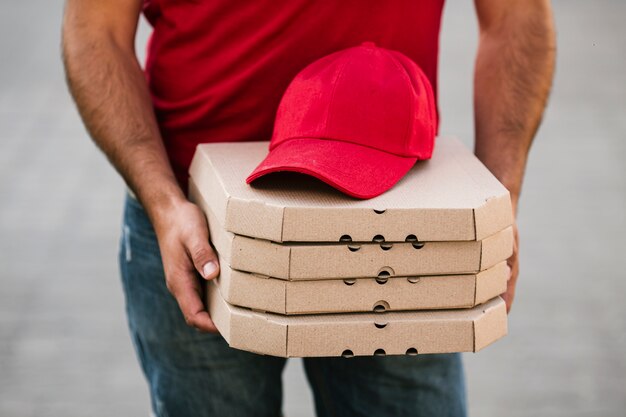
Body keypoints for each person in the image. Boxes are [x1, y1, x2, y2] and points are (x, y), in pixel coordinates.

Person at [62, 1, 555, 416]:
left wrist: (499, 202)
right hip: (194, 224)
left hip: (399, 231)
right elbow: (94, 29)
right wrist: (163, 202)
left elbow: (517, 15)